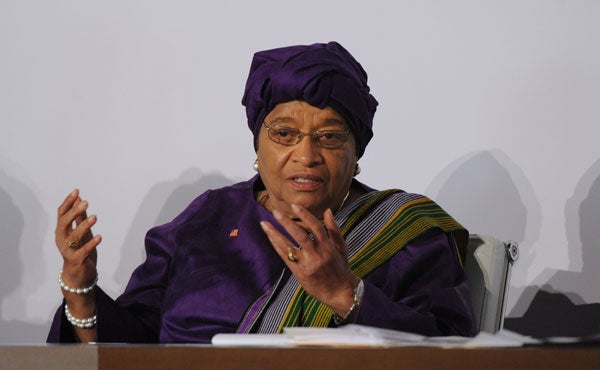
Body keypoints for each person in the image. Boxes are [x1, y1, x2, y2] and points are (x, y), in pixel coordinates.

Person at [47, 41, 476, 344]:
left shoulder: (406, 232)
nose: (305, 155)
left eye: (328, 137)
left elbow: (450, 350)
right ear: (259, 145)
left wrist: (346, 293)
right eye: (284, 134)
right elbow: (134, 344)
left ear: (355, 150)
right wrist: (80, 289)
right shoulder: (207, 217)